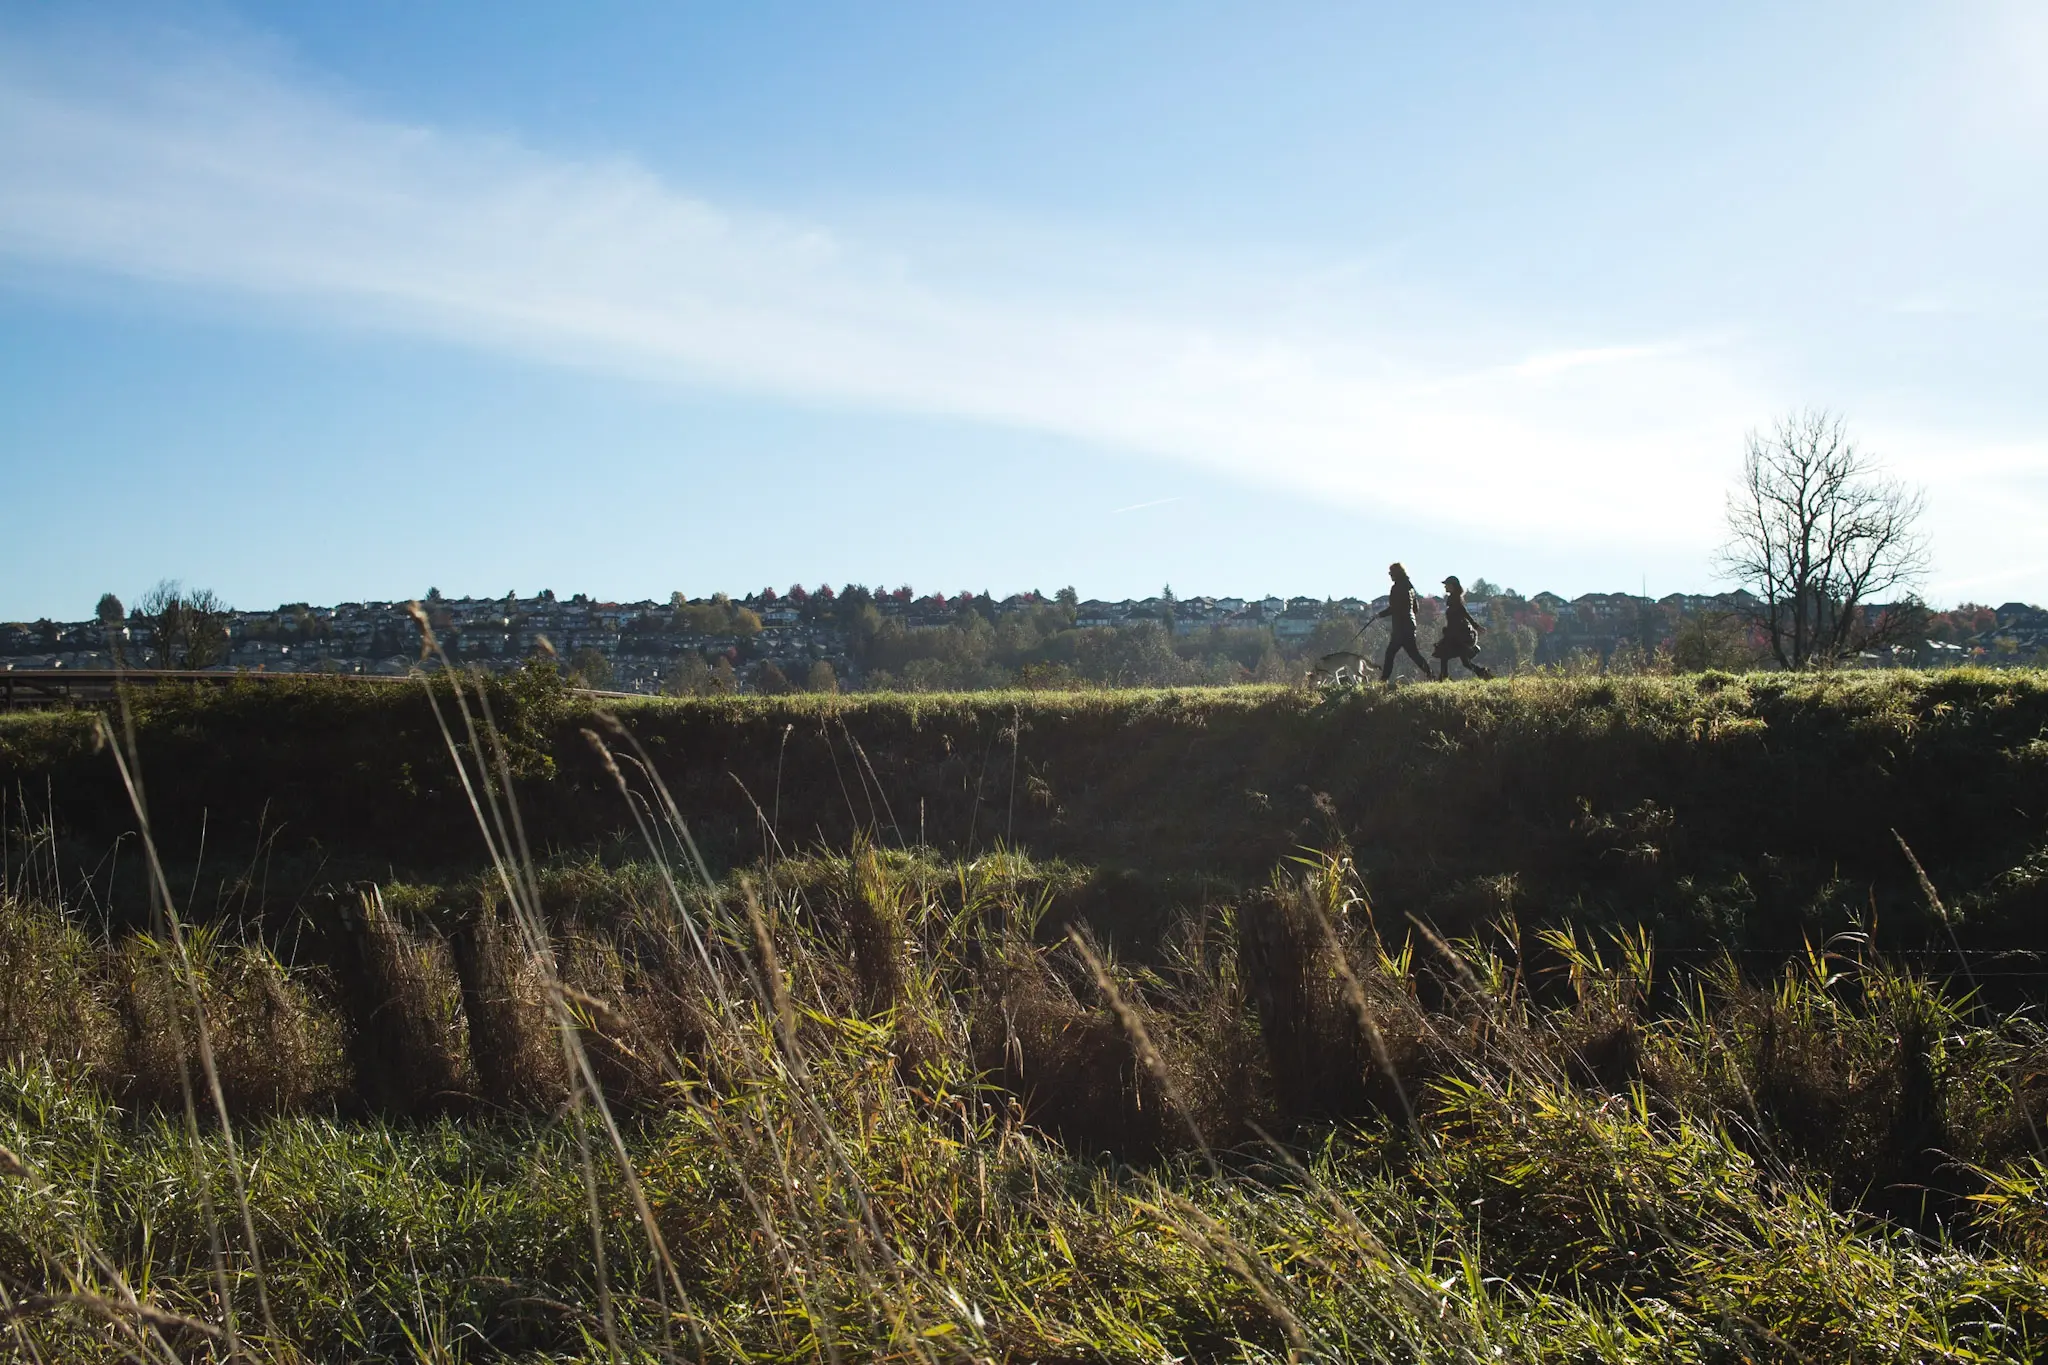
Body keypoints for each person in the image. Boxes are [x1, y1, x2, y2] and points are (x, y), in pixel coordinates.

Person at [1374, 562, 1431, 682]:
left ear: (1395, 574)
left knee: (1390, 653)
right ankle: (1430, 674)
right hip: (1410, 625)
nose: (1390, 576)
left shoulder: (1396, 588)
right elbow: (1415, 608)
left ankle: (1383, 680)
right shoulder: (1410, 587)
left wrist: (1380, 614)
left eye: (1391, 573)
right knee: (1413, 654)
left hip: (1400, 627)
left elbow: (1394, 607)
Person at [1433, 575, 1494, 680]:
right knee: (1458, 660)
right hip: (1455, 634)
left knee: (1445, 654)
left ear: (1452, 586)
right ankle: (1482, 673)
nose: (1445, 587)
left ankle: (1444, 677)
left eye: (1446, 585)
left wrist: (1477, 627)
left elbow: (1465, 614)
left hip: (1459, 635)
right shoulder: (1453, 599)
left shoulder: (1455, 600)